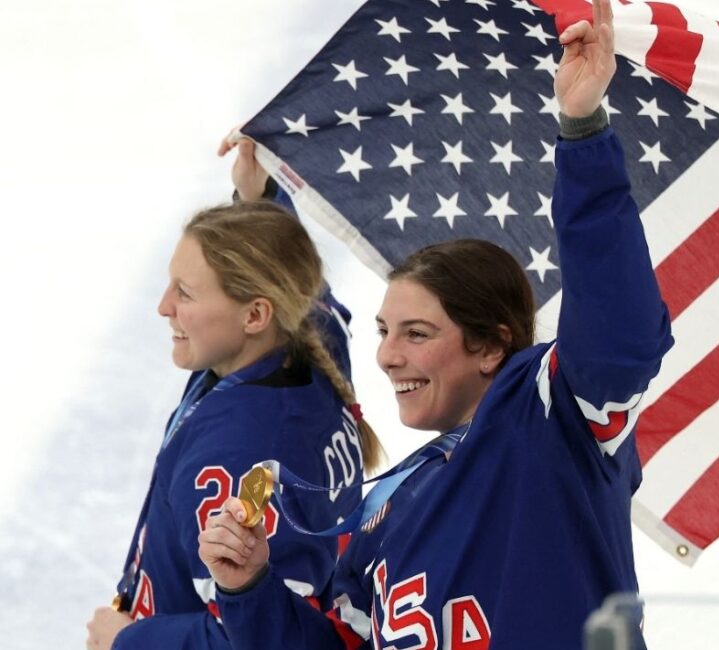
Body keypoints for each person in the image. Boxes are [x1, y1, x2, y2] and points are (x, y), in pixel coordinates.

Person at [198, 0, 671, 646]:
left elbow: (621, 329)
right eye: (384, 333)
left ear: (491, 346)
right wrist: (248, 586)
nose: (388, 357)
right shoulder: (381, 509)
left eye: (416, 334)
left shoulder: (554, 423)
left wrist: (583, 127)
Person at [85, 197, 381, 649]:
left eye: (184, 292)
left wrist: (128, 641)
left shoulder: (239, 454)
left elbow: (253, 636)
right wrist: (262, 188)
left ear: (256, 315)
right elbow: (297, 269)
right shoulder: (314, 336)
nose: (163, 306)